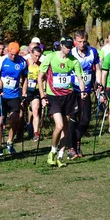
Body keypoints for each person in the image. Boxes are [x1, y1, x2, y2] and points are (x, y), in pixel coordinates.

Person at [38, 36, 86, 168]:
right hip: (53, 96)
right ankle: (52, 151)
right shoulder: (51, 57)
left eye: (71, 47)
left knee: (66, 129)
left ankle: (60, 155)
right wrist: (42, 96)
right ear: (61, 45)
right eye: (66, 46)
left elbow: (80, 78)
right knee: (59, 126)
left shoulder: (74, 61)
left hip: (68, 96)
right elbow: (40, 77)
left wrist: (83, 91)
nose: (68, 49)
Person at [69, 30, 101, 158]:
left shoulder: (92, 52)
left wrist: (98, 83)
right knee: (72, 119)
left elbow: (98, 68)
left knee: (85, 120)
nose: (82, 44)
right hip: (72, 90)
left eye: (84, 41)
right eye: (79, 42)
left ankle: (74, 142)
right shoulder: (71, 53)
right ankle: (72, 148)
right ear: (75, 41)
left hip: (86, 90)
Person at [0, 42, 28, 155]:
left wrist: (24, 92)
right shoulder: (1, 61)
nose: (13, 56)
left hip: (14, 95)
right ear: (7, 51)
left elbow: (25, 78)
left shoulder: (22, 62)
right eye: (11, 54)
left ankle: (9, 141)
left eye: (16, 54)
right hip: (2, 95)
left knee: (15, 119)